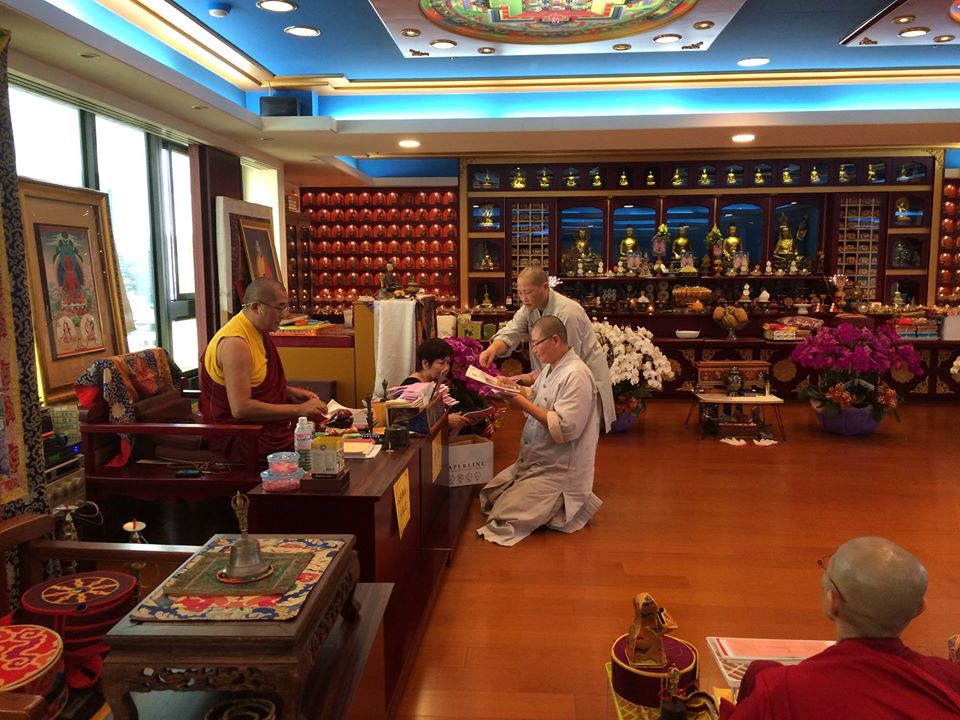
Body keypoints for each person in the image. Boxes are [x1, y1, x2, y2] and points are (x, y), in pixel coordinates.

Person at [721, 536, 960, 719]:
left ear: (832, 601)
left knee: (759, 671)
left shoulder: (781, 690)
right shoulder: (948, 679)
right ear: (920, 608)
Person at [477, 316, 601, 546]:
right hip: (536, 459)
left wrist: (519, 401)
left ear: (555, 340)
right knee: (489, 498)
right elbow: (534, 394)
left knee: (502, 520)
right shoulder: (552, 367)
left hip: (557, 468)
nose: (533, 349)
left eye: (536, 343)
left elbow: (564, 427)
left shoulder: (576, 374)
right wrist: (510, 388)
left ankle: (557, 504)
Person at [199, 277, 327, 458]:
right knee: (317, 450)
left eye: (286, 307)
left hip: (263, 428)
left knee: (323, 434)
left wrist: (289, 392)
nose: (285, 315)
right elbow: (241, 408)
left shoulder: (257, 331)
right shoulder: (236, 344)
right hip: (241, 434)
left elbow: (253, 380)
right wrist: (299, 409)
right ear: (256, 307)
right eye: (280, 307)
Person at [477, 266, 615, 431]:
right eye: (519, 293)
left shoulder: (568, 312)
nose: (523, 298)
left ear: (545, 287)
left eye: (528, 292)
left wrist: (525, 382)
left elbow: (568, 360)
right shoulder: (529, 308)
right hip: (549, 376)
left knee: (572, 429)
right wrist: (492, 349)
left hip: (580, 377)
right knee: (548, 428)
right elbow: (512, 330)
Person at [400, 338, 468, 432]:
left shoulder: (436, 384)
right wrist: (446, 421)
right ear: (425, 363)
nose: (446, 368)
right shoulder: (411, 386)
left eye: (448, 363)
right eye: (441, 363)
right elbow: (409, 422)